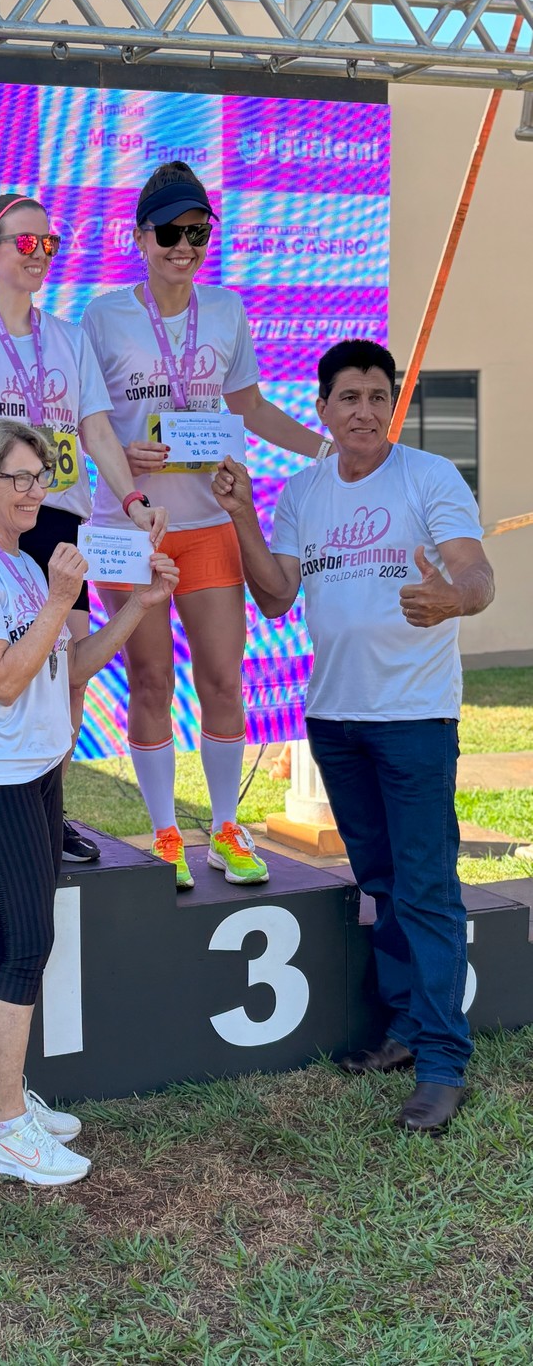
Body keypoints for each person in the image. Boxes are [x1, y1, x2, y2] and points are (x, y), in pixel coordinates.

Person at [213, 338, 494, 1134]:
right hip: (334, 719)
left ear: (390, 405)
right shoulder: (301, 492)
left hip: (413, 718)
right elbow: (273, 598)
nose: (364, 411)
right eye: (348, 398)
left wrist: (451, 597)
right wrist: (238, 514)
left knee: (428, 887)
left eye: (378, 396)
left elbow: (477, 574)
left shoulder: (429, 478)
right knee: (380, 882)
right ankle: (405, 1027)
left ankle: (442, 1063)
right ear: (324, 411)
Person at [0, 418, 178, 1183]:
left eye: (42, 476)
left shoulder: (20, 564)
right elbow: (2, 679)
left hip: (36, 769)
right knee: (24, 941)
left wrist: (136, 607)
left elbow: (66, 669)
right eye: (23, 478)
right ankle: (3, 1126)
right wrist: (60, 597)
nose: (40, 490)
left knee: (27, 938)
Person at [81, 161, 331, 890]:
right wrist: (123, 453)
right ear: (140, 237)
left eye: (197, 232)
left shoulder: (224, 310)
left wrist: (327, 450)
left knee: (223, 679)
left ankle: (224, 826)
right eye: (169, 233)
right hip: (130, 531)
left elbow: (248, 408)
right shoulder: (103, 316)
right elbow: (80, 418)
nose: (183, 247)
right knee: (151, 679)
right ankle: (164, 831)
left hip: (209, 522)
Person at [0, 192, 167, 866]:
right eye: (25, 243)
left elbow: (94, 432)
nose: (39, 256)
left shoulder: (67, 336)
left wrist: (134, 500)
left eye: (49, 245)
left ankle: (47, 805)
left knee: (67, 671)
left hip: (58, 516)